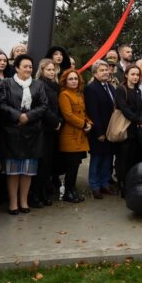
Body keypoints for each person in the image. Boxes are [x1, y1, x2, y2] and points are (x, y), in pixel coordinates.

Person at [0, 54, 49, 214]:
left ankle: (24, 201)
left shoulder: (38, 84)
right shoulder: (6, 83)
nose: (28, 69)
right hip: (12, 133)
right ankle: (13, 202)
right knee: (13, 171)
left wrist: (28, 116)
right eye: (25, 66)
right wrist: (18, 115)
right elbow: (1, 104)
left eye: (30, 67)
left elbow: (43, 105)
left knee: (28, 170)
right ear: (17, 67)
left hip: (32, 133)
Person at [84, 60, 117, 198]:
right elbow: (93, 112)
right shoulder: (91, 88)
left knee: (107, 158)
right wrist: (99, 132)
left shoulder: (110, 87)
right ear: (95, 73)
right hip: (99, 131)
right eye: (102, 70)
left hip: (111, 130)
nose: (106, 72)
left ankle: (104, 184)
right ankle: (95, 186)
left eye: (106, 70)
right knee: (97, 159)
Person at [58, 68, 91, 203]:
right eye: (70, 79)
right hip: (69, 135)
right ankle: (68, 192)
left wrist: (89, 123)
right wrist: (84, 124)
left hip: (80, 135)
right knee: (71, 166)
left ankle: (72, 191)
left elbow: (83, 112)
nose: (73, 81)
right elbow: (68, 115)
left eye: (75, 79)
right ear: (65, 81)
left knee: (76, 165)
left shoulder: (80, 94)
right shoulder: (64, 94)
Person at [32, 58, 62, 207]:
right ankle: (36, 196)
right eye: (48, 69)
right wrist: (56, 122)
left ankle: (43, 194)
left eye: (53, 69)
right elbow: (43, 107)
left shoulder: (55, 85)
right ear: (42, 70)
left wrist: (59, 121)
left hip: (54, 129)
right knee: (42, 164)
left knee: (48, 164)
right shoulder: (39, 85)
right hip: (44, 129)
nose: (51, 72)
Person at [113, 64, 142, 197]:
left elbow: (141, 108)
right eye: (132, 74)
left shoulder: (137, 90)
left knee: (133, 159)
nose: (135, 77)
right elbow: (124, 109)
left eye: (137, 75)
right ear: (126, 75)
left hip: (135, 131)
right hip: (124, 129)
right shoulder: (121, 89)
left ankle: (130, 183)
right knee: (122, 160)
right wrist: (138, 120)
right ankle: (122, 186)